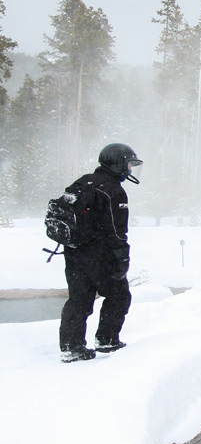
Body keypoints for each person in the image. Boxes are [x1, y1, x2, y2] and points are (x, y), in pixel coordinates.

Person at [58, 143, 143, 363]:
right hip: (100, 254)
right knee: (119, 295)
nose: (130, 170)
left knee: (79, 299)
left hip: (74, 252)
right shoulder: (113, 191)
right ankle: (107, 340)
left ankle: (71, 346)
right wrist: (122, 256)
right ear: (117, 163)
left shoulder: (82, 182)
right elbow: (117, 230)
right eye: (128, 164)